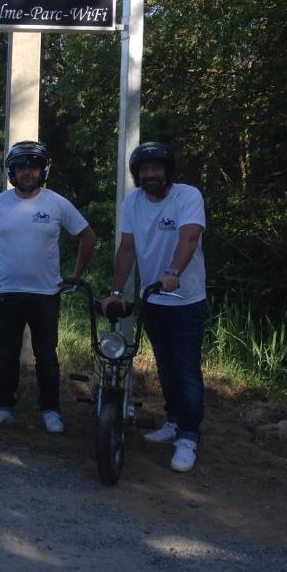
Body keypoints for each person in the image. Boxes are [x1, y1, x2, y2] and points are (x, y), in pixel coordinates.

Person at [0, 141, 96, 434]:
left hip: (46, 294)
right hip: (6, 292)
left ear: (43, 170)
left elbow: (87, 236)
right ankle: (3, 407)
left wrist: (75, 275)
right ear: (11, 171)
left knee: (46, 356)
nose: (27, 172)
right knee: (7, 355)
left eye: (33, 167)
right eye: (21, 167)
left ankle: (50, 410)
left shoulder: (57, 203)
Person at [100, 141, 206, 473]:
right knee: (165, 366)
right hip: (153, 299)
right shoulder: (133, 202)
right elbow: (127, 248)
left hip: (185, 300)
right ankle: (174, 421)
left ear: (168, 171)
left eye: (156, 168)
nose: (150, 174)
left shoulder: (187, 196)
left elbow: (189, 237)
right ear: (137, 174)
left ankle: (188, 437)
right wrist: (116, 291)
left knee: (186, 369)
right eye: (144, 169)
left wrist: (173, 273)